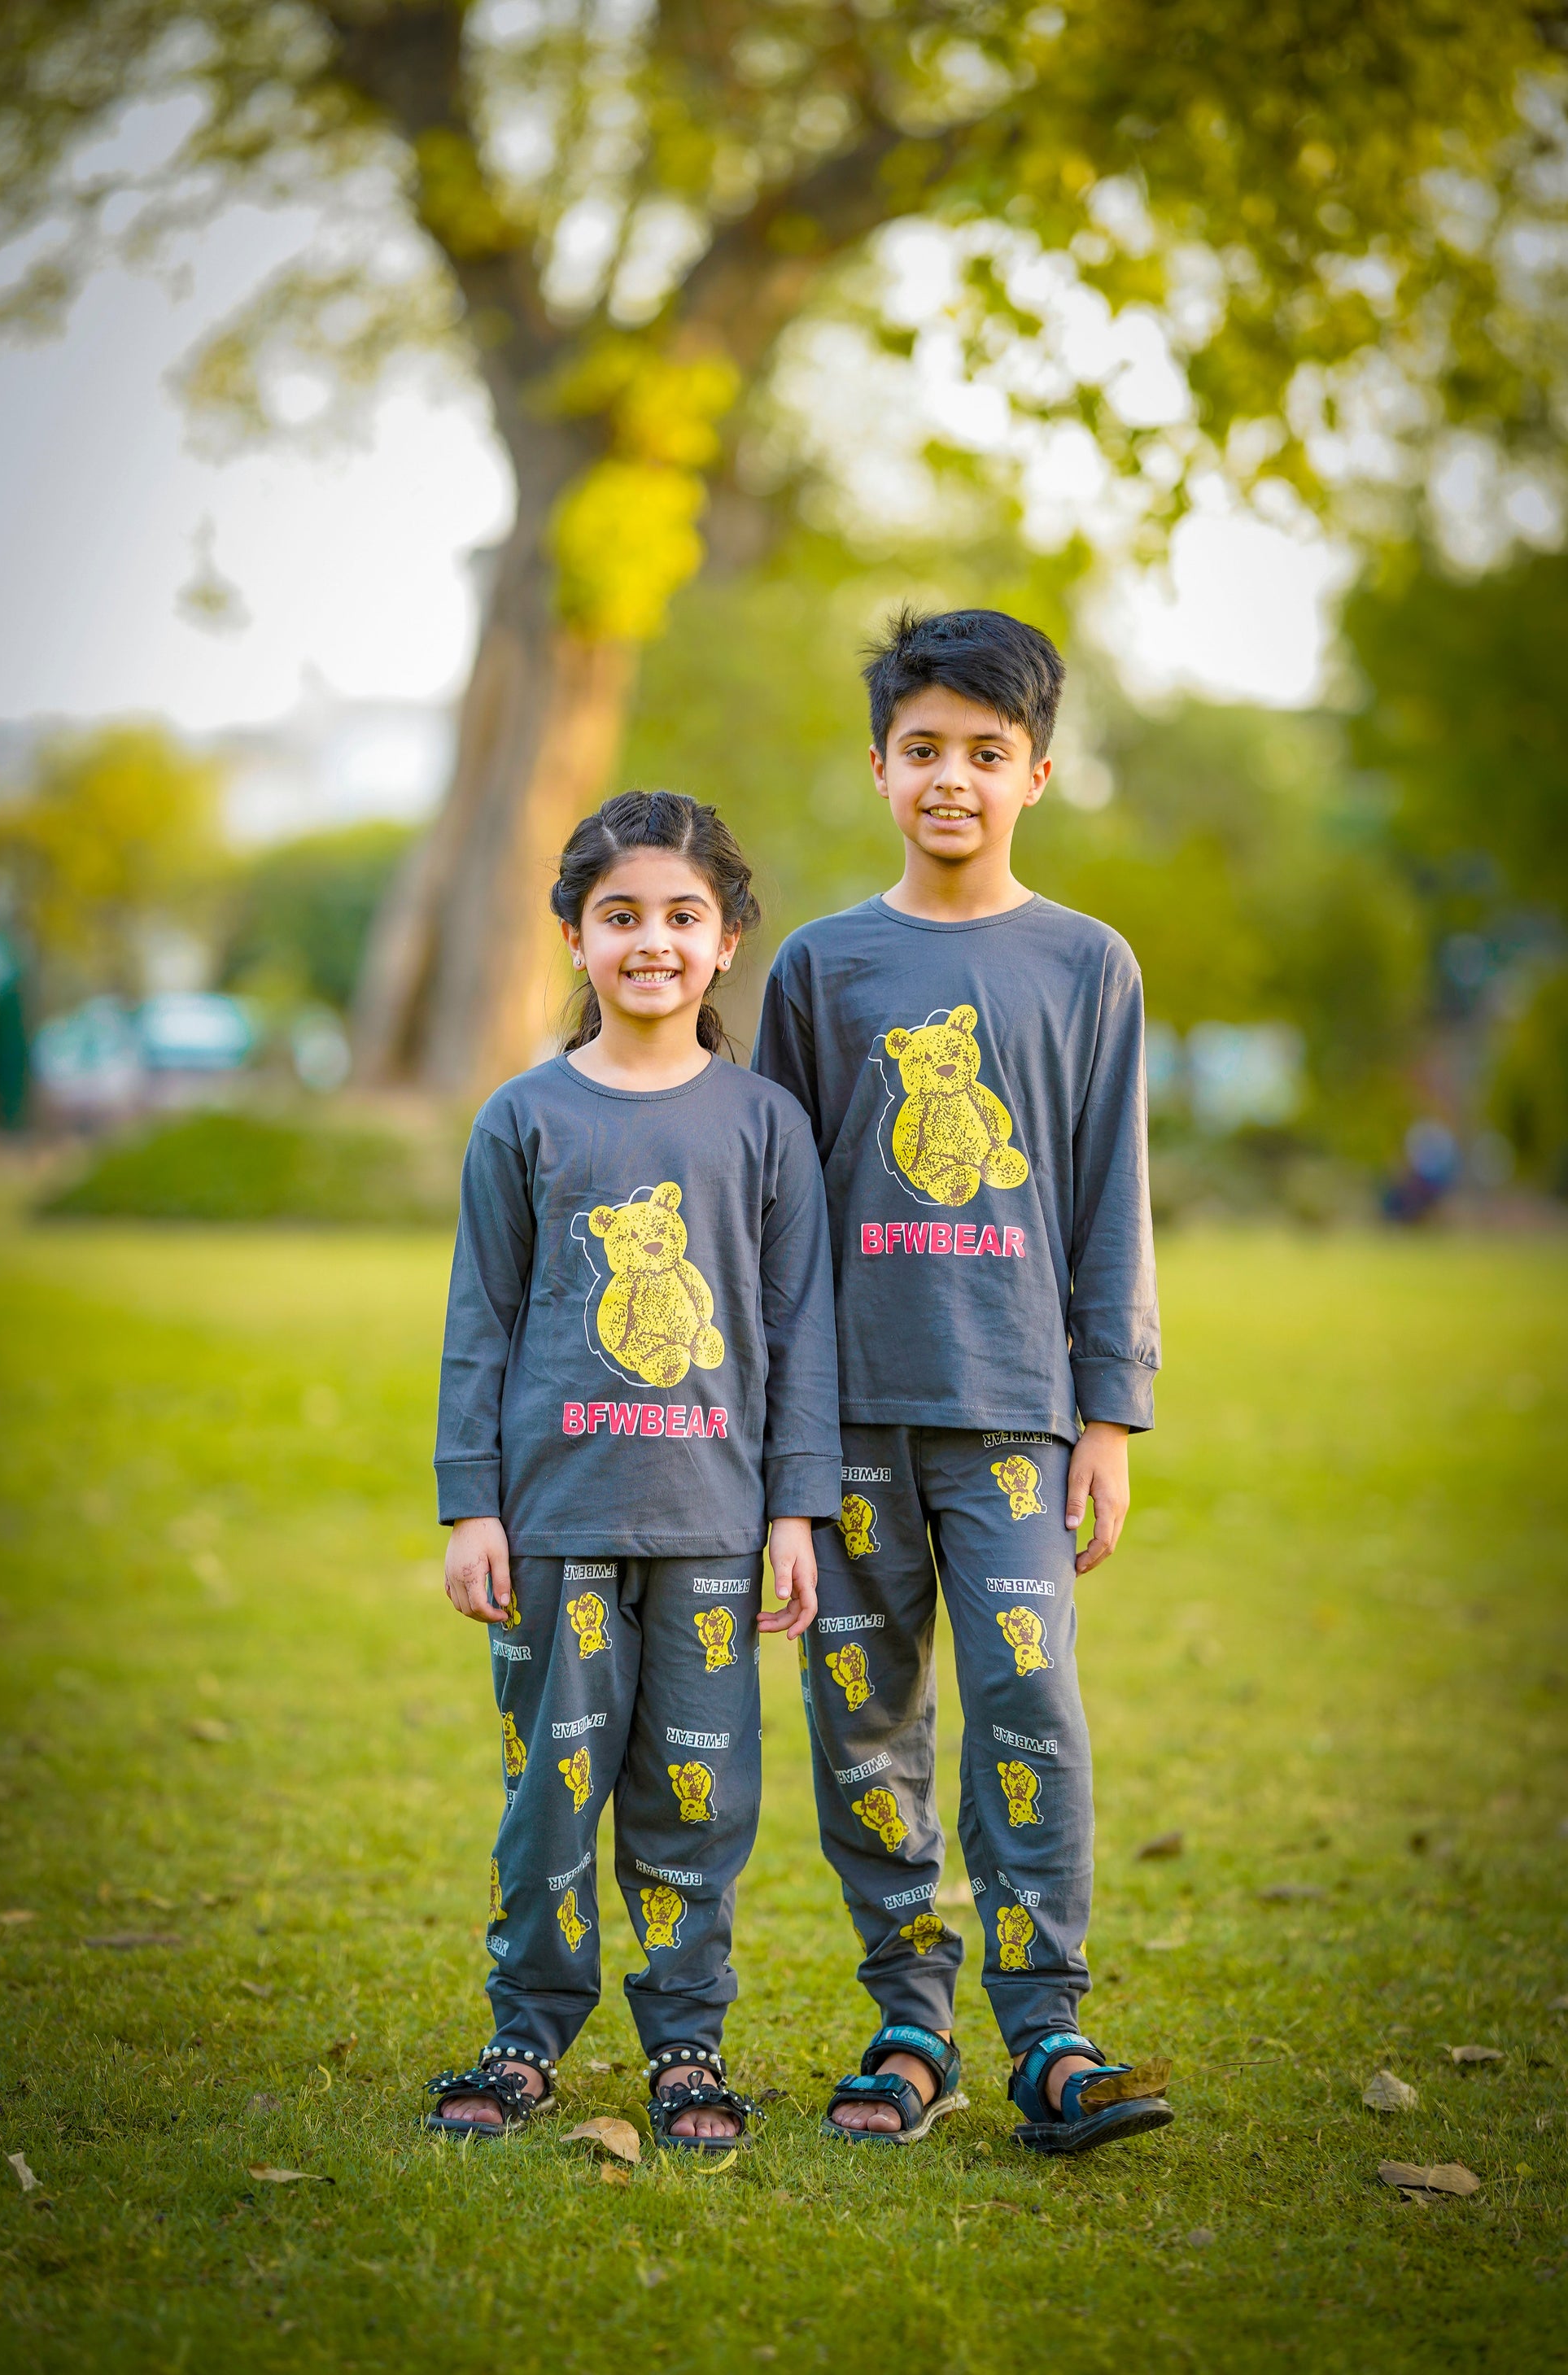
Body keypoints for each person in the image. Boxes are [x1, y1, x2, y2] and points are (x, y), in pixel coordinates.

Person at [753, 608, 1173, 2157]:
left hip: (1015, 1415)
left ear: (1035, 774)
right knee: (862, 1721)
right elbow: (770, 1217)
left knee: (1026, 1704)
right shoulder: (820, 966)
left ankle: (1047, 2025)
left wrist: (1106, 1416)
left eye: (984, 754)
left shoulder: (1086, 964)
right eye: (921, 748)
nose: (950, 778)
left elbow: (1110, 1195)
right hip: (849, 1419)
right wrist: (777, 1447)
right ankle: (908, 2021)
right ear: (877, 766)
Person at [426, 789, 841, 2153]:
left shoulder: (766, 1125)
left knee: (694, 1798)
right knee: (550, 1791)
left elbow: (798, 1330)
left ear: (727, 941)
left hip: (714, 1525)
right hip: (555, 1521)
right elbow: (481, 1322)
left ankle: (686, 2045)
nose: (650, 941)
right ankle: (525, 2032)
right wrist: (472, 1506)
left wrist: (796, 1511)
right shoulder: (523, 1118)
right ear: (573, 935)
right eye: (619, 916)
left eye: (681, 915)